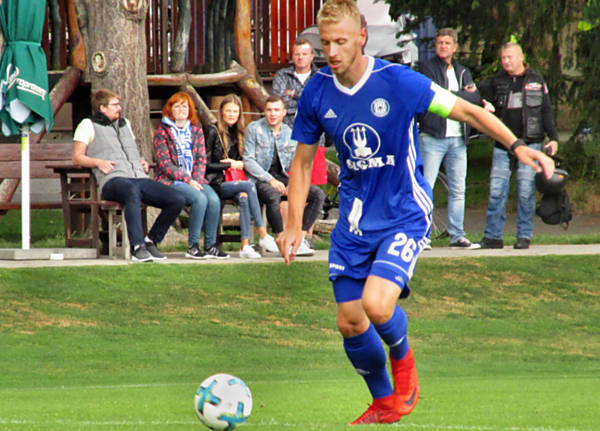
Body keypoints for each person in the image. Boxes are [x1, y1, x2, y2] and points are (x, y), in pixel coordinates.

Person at [277, 0, 554, 425]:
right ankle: (384, 402)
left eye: (340, 42)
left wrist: (517, 147)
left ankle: (404, 363)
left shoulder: (398, 82)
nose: (331, 52)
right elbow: (301, 164)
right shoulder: (317, 90)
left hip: (403, 212)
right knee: (349, 322)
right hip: (354, 220)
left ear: (362, 37)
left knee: (376, 305)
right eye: (325, 43)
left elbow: (467, 111)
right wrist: (294, 225)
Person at [72, 88, 186, 262]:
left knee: (177, 198)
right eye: (115, 105)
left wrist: (140, 161)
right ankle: (137, 246)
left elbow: (127, 151)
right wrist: (98, 162)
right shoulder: (87, 125)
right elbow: (77, 157)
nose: (119, 108)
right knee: (132, 191)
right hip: (112, 181)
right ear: (102, 108)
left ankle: (151, 241)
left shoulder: (125, 124)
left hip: (138, 177)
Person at [478, 42, 559, 250]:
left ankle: (524, 235)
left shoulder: (536, 80)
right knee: (496, 191)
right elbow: (481, 102)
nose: (505, 61)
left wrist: (553, 137)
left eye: (510, 57)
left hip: (531, 143)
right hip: (503, 144)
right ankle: (492, 236)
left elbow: (546, 110)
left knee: (525, 192)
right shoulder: (495, 81)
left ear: (521, 57)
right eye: (503, 58)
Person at [419, 28, 485, 250]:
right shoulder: (427, 68)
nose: (443, 46)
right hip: (433, 136)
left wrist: (451, 95)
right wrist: (460, 96)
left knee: (458, 189)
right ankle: (422, 235)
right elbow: (433, 95)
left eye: (447, 43)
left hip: (458, 138)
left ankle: (457, 235)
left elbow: (474, 98)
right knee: (426, 187)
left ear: (455, 47)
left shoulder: (462, 71)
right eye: (440, 43)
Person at [243, 95, 325, 256]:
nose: (272, 114)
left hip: (281, 177)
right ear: (264, 112)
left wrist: (293, 183)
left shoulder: (289, 132)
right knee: (273, 194)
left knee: (318, 195)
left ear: (284, 113)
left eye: (276, 110)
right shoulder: (254, 128)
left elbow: (295, 163)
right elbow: (248, 160)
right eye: (269, 110)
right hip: (258, 178)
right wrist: (270, 180)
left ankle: (299, 239)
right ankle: (281, 240)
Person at [153, 91, 229, 259]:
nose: (181, 110)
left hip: (195, 179)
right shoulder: (162, 131)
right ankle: (193, 246)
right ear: (170, 109)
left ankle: (210, 246)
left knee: (214, 200)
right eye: (177, 106)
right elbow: (164, 164)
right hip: (171, 180)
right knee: (199, 199)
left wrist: (196, 179)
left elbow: (201, 159)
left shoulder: (196, 130)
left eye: (185, 107)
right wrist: (187, 180)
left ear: (190, 110)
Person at [204, 94, 280, 258]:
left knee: (244, 197)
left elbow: (245, 161)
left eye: (235, 111)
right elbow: (206, 165)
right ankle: (262, 233)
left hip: (235, 181)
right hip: (216, 182)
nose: (232, 114)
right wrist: (228, 164)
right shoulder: (212, 130)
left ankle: (244, 247)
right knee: (249, 186)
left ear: (239, 114)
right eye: (228, 111)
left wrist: (240, 163)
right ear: (221, 112)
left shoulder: (239, 133)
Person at [273, 37, 327, 248]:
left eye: (304, 54)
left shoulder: (321, 76)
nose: (300, 58)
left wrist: (294, 97)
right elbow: (279, 101)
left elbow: (321, 104)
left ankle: (307, 237)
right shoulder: (282, 75)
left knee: (312, 190)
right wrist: (306, 103)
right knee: (293, 189)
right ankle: (291, 233)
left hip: (316, 140)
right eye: (297, 54)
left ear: (312, 56)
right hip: (288, 142)